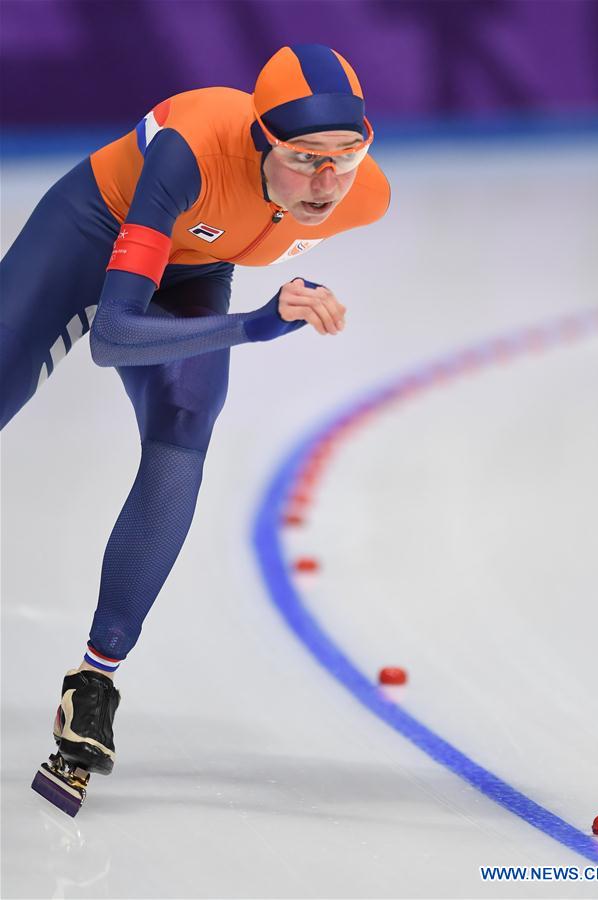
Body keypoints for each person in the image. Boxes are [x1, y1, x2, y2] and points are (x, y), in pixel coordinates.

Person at [1, 43, 389, 807]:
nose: (325, 183)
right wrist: (253, 325)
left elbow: (233, 236)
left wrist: (246, 311)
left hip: (192, 272)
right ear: (259, 142)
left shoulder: (364, 196)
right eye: (304, 159)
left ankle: (94, 682)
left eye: (344, 157)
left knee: (183, 430)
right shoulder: (192, 150)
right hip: (89, 234)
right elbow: (114, 335)